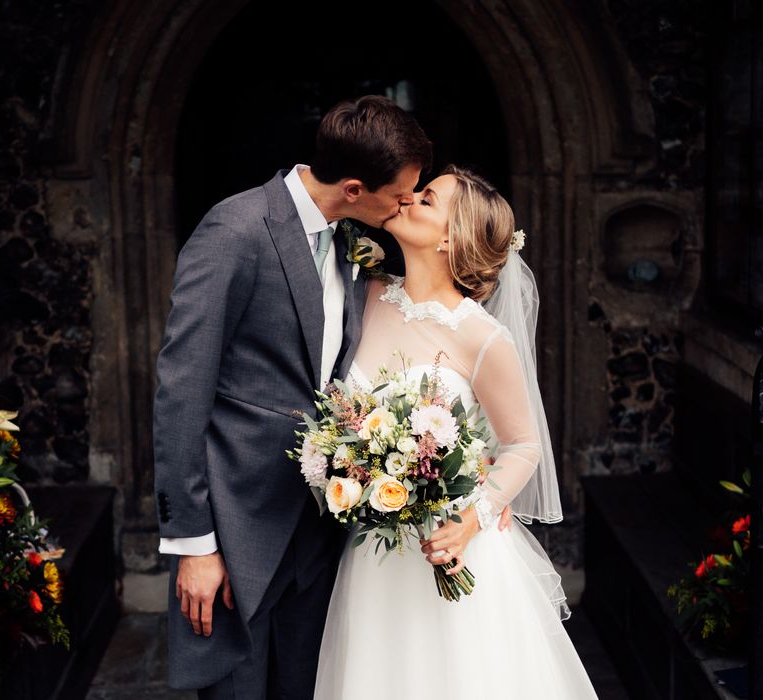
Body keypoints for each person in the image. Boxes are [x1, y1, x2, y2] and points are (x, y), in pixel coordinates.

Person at [151, 95, 432, 698]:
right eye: (400, 195)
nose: (406, 205)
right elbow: (181, 389)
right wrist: (195, 546)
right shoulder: (236, 229)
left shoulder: (355, 241)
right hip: (237, 530)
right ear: (355, 187)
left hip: (319, 530)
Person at [314, 166, 600, 699]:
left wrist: (474, 517)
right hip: (372, 554)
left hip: (450, 546)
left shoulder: (482, 336)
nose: (408, 198)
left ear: (451, 237)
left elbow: (523, 446)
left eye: (426, 198)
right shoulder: (364, 294)